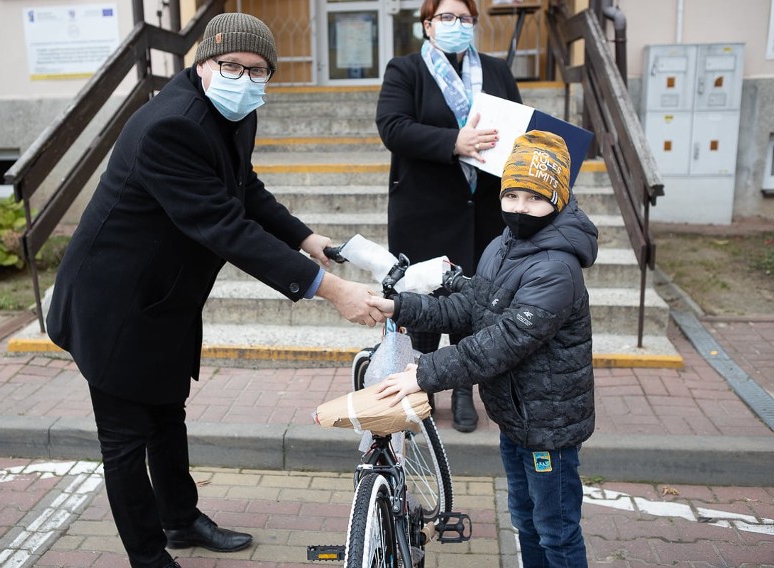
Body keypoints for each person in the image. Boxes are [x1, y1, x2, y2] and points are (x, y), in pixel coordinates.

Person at [46, 13, 384, 568]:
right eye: (232, 66)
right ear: (203, 63)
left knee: (167, 413)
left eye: (259, 71)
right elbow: (225, 228)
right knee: (126, 442)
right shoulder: (169, 126)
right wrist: (331, 289)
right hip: (113, 306)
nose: (246, 79)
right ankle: (149, 557)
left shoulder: (234, 110)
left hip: (165, 298)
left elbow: (242, 188)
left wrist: (307, 239)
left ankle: (181, 520)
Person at [368, 130, 598, 567]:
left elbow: (503, 342)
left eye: (534, 198)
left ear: (559, 200)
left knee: (557, 533)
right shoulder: (502, 246)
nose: (518, 208)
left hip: (547, 426)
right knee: (526, 521)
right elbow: (469, 308)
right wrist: (400, 306)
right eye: (511, 195)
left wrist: (424, 372)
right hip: (515, 419)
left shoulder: (557, 268)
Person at [375, 0, 522, 432]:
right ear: (427, 24)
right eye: (447, 17)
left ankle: (462, 390)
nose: (457, 25)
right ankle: (420, 390)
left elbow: (519, 129)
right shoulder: (405, 70)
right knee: (422, 305)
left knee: (472, 306)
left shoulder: (496, 71)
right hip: (425, 209)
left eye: (465, 18)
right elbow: (393, 127)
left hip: (483, 212)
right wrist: (454, 142)